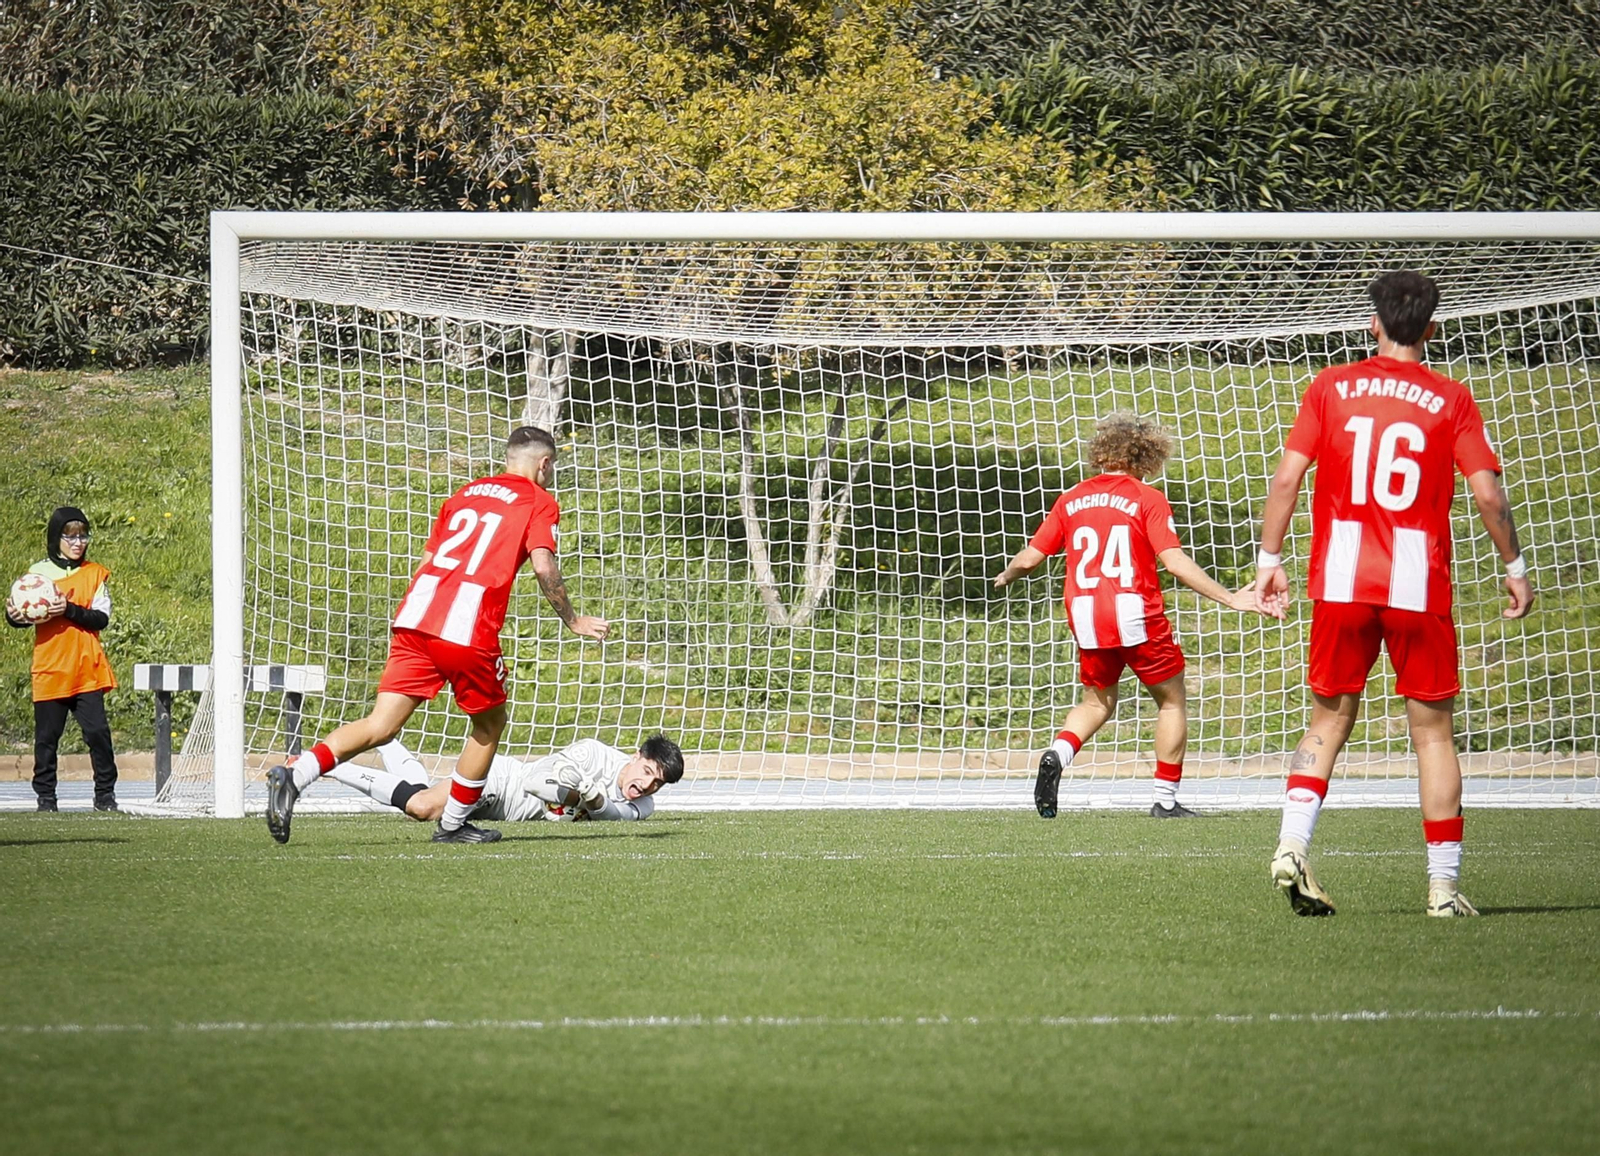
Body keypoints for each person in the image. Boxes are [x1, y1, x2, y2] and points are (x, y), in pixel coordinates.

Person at [1254, 270, 1534, 919]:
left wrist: (1270, 560)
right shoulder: (1451, 399)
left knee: (1327, 719)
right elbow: (1489, 493)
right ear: (1431, 330)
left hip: (1342, 579)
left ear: (1372, 324)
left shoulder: (1331, 387)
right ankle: (1442, 891)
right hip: (1418, 583)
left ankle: (1292, 846)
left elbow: (1288, 478)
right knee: (1433, 735)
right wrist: (1515, 565)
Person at [265, 426, 610, 845]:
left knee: (381, 724)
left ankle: (295, 775)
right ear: (544, 464)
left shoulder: (465, 494)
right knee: (490, 723)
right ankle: (453, 824)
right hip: (466, 626)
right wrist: (573, 619)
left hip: (417, 616)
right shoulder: (539, 501)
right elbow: (543, 566)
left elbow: (429, 559)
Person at [995, 414, 1273, 819]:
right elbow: (1175, 562)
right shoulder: (1147, 498)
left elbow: (1032, 556)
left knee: (1096, 702)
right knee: (1171, 701)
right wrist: (1230, 598)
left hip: (1087, 614)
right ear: (1147, 455)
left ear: (1101, 452)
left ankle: (1057, 753)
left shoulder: (1072, 497)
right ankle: (1165, 800)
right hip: (1135, 612)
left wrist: (1008, 573)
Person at [4, 507, 120, 812]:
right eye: (71, 536)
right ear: (56, 538)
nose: (78, 542)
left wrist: (67, 609)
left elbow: (100, 619)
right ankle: (46, 799)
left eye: (83, 535)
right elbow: (22, 614)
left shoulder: (95, 574)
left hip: (86, 668)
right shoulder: (36, 574)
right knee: (46, 738)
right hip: (50, 667)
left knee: (97, 733)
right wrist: (13, 616)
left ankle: (105, 796)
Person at [317, 733, 684, 824]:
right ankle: (325, 763)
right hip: (501, 782)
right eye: (648, 772)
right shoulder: (593, 753)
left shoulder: (643, 805)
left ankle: (389, 741)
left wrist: (585, 793)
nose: (646, 786)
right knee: (422, 807)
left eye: (657, 784)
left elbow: (611, 817)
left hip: (501, 815)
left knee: (422, 794)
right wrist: (579, 792)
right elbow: (534, 784)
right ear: (637, 756)